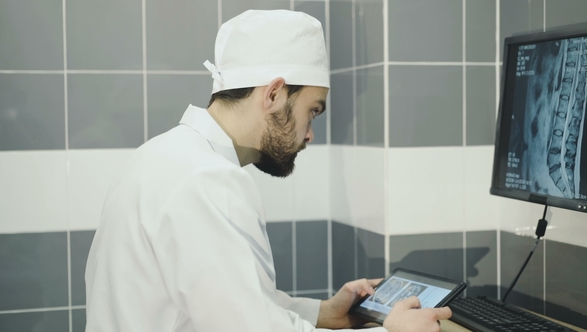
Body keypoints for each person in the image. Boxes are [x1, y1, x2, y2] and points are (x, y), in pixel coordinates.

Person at [84, 9, 451, 332]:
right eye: (313, 111)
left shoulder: (163, 155)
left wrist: (324, 313)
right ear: (274, 94)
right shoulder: (207, 181)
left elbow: (224, 298)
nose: (309, 134)